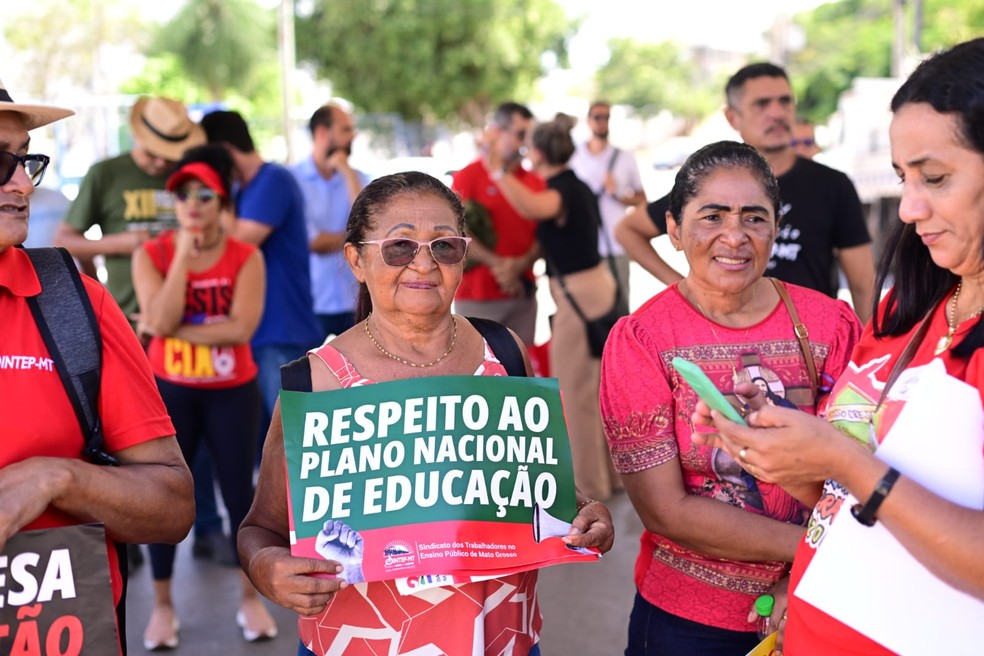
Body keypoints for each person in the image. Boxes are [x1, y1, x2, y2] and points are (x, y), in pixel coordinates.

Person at [238, 171, 615, 655]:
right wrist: (266, 567)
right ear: (356, 259)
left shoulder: (504, 353)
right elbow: (259, 528)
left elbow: (538, 493)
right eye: (399, 247)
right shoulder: (316, 382)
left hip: (502, 640)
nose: (423, 263)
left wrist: (587, 514)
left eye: (444, 246)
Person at [691, 38, 984, 655]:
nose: (908, 207)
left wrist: (844, 461)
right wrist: (779, 449)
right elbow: (853, 501)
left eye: (934, 177)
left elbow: (870, 482)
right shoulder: (906, 314)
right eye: (905, 178)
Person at [599, 141, 861, 655]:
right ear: (673, 229)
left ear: (776, 227)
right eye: (712, 216)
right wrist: (814, 550)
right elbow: (666, 510)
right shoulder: (643, 340)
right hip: (688, 622)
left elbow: (859, 469)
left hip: (823, 602)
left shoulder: (831, 323)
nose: (735, 236)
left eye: (754, 217)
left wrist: (807, 575)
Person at [0, 81, 194, 653]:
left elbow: (172, 506)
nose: (19, 183)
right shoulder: (109, 174)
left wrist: (57, 477)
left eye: (25, 161)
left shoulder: (74, 303)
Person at [132, 145, 277, 648]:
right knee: (160, 495)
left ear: (222, 202)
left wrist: (163, 329)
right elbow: (166, 315)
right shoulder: (151, 255)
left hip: (231, 392)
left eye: (204, 196)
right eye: (182, 196)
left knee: (240, 495)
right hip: (170, 390)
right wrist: (182, 260)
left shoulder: (247, 256)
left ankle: (249, 599)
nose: (192, 205)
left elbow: (241, 328)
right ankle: (163, 606)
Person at [616, 63, 875, 324]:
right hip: (720, 335)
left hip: (808, 339)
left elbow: (863, 284)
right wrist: (683, 288)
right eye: (761, 104)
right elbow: (628, 230)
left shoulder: (832, 185)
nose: (776, 113)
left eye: (785, 101)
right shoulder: (709, 185)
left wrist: (873, 355)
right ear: (732, 117)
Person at [488, 113, 620, 501]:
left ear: (539, 153)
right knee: (591, 392)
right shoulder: (573, 184)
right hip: (590, 290)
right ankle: (607, 480)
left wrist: (499, 171)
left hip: (581, 294)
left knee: (576, 395)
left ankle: (589, 490)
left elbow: (532, 207)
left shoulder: (560, 189)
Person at [200, 110, 323, 462]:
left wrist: (216, 188)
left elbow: (240, 240)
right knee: (266, 446)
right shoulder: (244, 189)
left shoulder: (274, 180)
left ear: (224, 148)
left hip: (282, 329)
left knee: (294, 439)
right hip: (254, 330)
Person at [54, 96, 205, 319]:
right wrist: (120, 244)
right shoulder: (106, 174)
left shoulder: (191, 177)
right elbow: (64, 241)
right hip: (126, 318)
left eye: (169, 156)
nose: (161, 163)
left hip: (188, 316)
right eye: (152, 153)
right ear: (136, 135)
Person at [452, 102, 544, 347]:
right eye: (520, 134)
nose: (525, 142)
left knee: (521, 377)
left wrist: (520, 265)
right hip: (477, 298)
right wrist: (501, 266)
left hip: (521, 294)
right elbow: (455, 231)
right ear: (497, 132)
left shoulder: (534, 181)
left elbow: (544, 234)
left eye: (529, 135)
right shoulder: (468, 176)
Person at [291, 103, 368, 338]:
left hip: (354, 298)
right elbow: (313, 242)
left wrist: (346, 173)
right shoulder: (293, 180)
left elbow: (370, 223)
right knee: (307, 373)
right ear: (323, 133)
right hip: (311, 301)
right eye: (345, 129)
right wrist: (357, 238)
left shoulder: (358, 178)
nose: (352, 135)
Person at [570, 100, 646, 299]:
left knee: (619, 303)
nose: (602, 122)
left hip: (616, 243)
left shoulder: (624, 157)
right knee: (590, 307)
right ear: (588, 121)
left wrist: (619, 196)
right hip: (584, 244)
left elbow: (641, 198)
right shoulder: (574, 157)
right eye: (597, 117)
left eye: (606, 117)